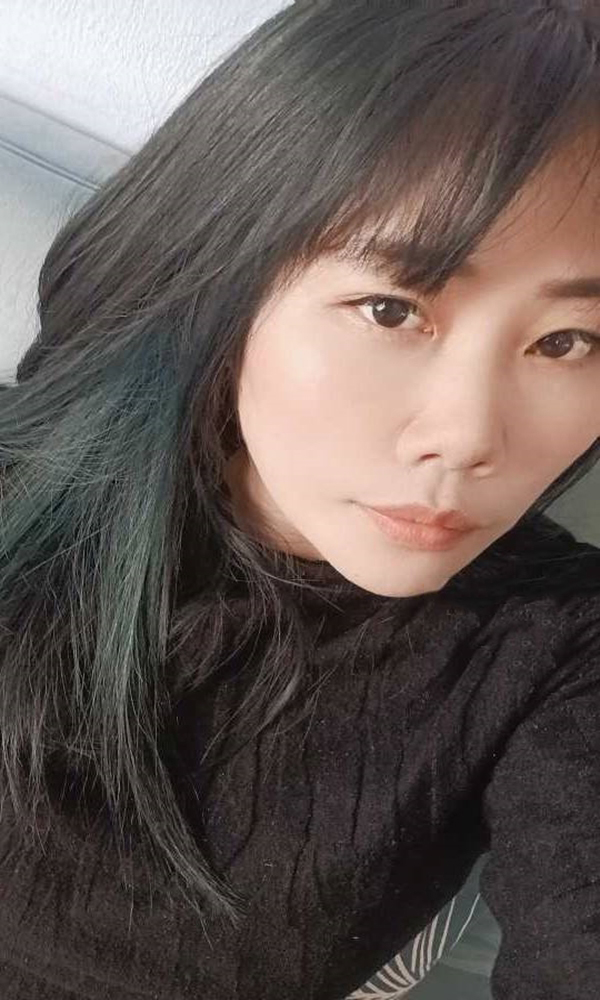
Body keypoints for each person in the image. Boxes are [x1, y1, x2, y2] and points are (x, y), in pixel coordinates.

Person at [1, 0, 600, 996]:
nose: (468, 436)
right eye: (390, 309)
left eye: (568, 342)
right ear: (226, 280)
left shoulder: (553, 645)